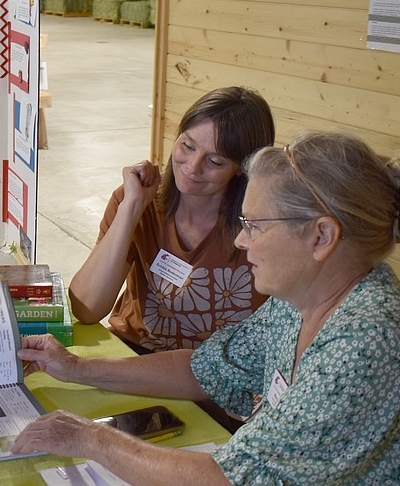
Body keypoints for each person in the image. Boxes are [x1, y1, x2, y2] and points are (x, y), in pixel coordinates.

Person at [11, 132, 400, 486]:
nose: (240, 239)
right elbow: (206, 367)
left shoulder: (371, 341)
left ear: (322, 236)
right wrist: (77, 368)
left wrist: (91, 439)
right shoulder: (303, 299)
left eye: (256, 225)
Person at [69, 87, 275, 353]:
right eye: (187, 146)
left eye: (214, 161)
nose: (192, 167)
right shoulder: (138, 201)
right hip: (136, 353)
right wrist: (132, 207)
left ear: (242, 170)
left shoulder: (266, 224)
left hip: (215, 377)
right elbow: (86, 307)